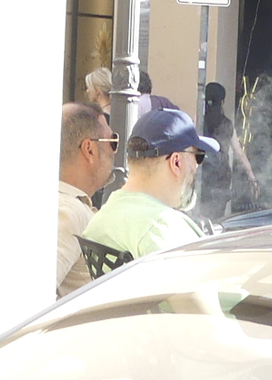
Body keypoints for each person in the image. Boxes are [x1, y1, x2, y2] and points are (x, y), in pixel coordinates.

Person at [81, 105, 218, 262]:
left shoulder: (103, 217)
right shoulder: (164, 228)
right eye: (198, 156)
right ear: (176, 163)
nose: (197, 166)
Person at [56, 101, 114, 297]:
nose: (115, 151)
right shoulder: (70, 212)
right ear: (89, 149)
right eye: (111, 142)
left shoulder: (69, 206)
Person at [195, 80, 256, 223]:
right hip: (221, 178)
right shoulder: (227, 125)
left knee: (200, 215)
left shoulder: (199, 122)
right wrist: (251, 175)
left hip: (202, 175)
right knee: (218, 219)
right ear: (222, 102)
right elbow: (239, 153)